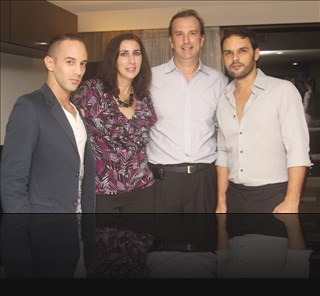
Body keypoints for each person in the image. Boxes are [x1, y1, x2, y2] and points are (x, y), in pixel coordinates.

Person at [215, 27, 311, 213]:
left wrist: (292, 201)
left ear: (256, 54)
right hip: (233, 196)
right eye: (228, 53)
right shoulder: (223, 99)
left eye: (242, 51)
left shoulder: (282, 91)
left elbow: (297, 149)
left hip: (273, 195)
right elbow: (222, 152)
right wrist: (221, 200)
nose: (235, 59)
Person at [0, 34, 96, 213]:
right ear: (50, 63)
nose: (78, 71)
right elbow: (12, 182)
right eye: (70, 62)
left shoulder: (76, 111)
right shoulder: (29, 107)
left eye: (82, 63)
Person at [147, 9, 228, 213]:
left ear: (201, 39)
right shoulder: (149, 79)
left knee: (205, 240)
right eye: (179, 34)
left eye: (192, 33)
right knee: (162, 242)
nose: (186, 40)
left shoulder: (219, 81)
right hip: (162, 180)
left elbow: (227, 132)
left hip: (204, 179)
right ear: (170, 41)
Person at [72, 33, 157, 213]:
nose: (131, 60)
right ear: (114, 59)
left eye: (137, 53)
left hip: (142, 189)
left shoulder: (144, 97)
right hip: (101, 191)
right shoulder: (91, 91)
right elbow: (70, 130)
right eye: (124, 54)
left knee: (142, 240)